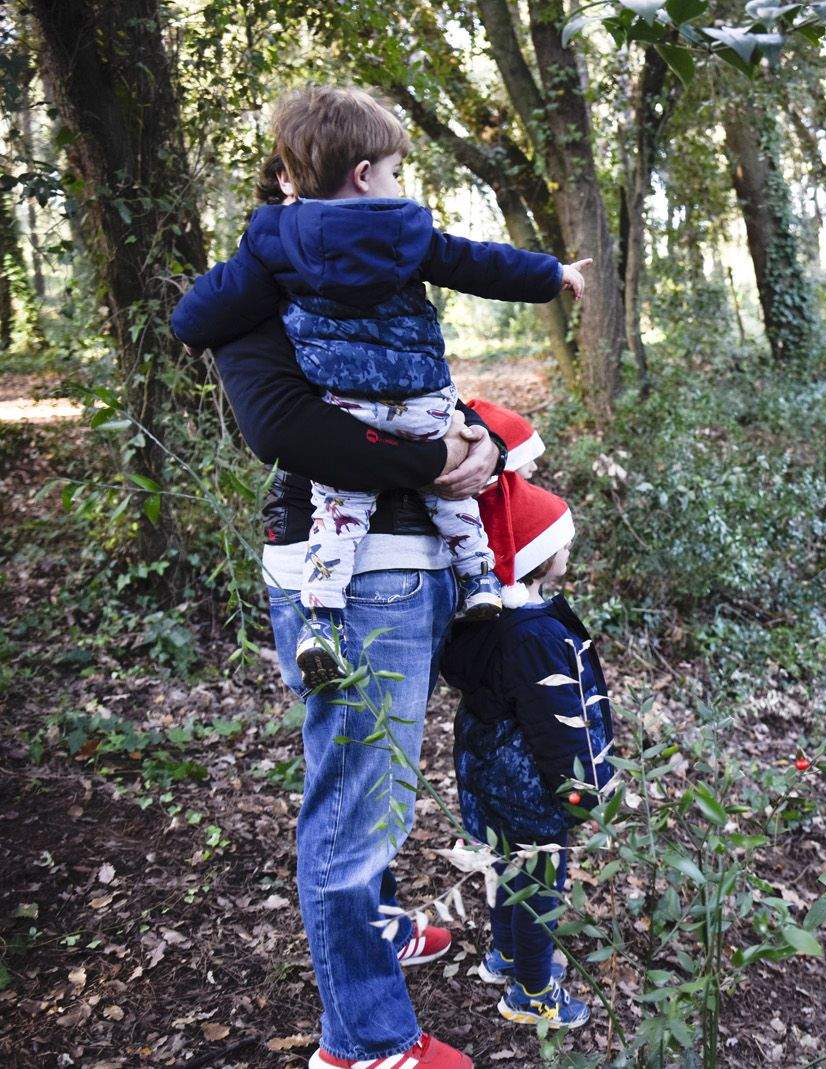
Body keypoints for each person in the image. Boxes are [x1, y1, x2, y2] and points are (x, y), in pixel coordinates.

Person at [210, 162, 537, 1069]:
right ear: (292, 180)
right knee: (355, 801)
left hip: (414, 558)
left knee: (374, 779)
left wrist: (480, 438)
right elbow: (284, 428)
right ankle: (364, 1042)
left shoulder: (385, 253)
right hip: (347, 573)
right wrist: (435, 461)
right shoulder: (253, 280)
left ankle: (377, 927)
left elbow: (422, 390)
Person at [173, 85, 590, 689]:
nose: (400, 185)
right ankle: (479, 583)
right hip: (419, 409)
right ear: (365, 175)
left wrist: (193, 328)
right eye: (397, 172)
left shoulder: (269, 247)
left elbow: (205, 308)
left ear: (293, 178)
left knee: (338, 512)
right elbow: (479, 263)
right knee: (454, 498)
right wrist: (552, 273)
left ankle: (321, 618)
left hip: (347, 410)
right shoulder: (406, 233)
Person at [440, 476, 615, 1029]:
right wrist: (585, 791)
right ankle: (533, 992)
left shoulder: (485, 621)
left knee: (506, 866)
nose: (570, 548)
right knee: (540, 880)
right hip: (530, 787)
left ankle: (508, 956)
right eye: (562, 541)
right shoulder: (535, 637)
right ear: (538, 556)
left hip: (488, 775)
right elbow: (558, 727)